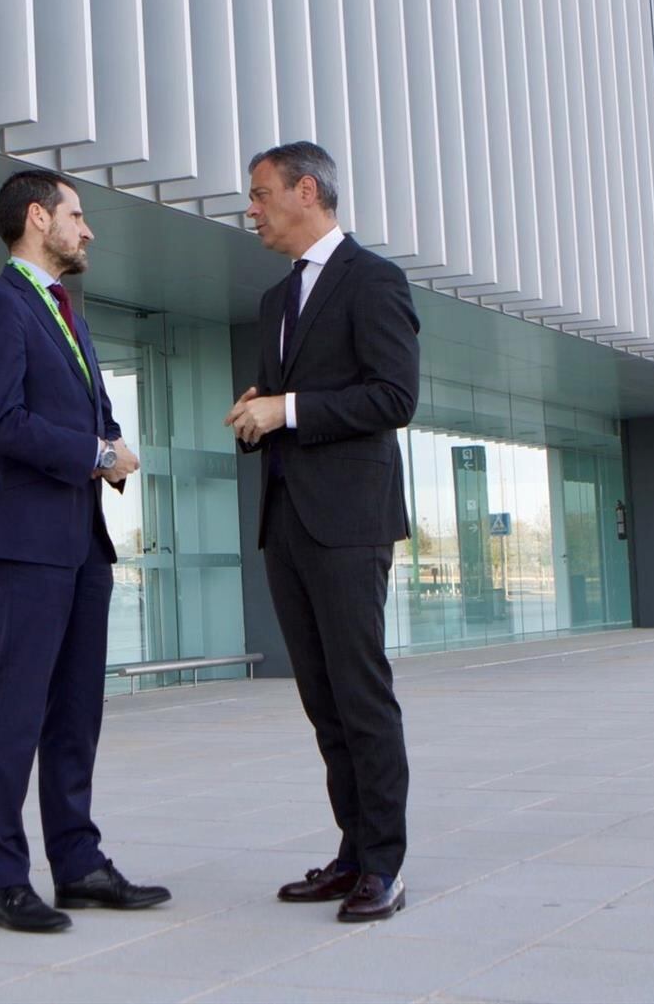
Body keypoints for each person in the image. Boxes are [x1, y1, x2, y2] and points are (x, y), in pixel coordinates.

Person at [0, 168, 171, 933]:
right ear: (38, 217)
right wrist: (94, 452)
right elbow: (5, 424)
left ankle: (77, 862)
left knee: (76, 713)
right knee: (18, 714)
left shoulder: (66, 312)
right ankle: (3, 880)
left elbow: (94, 411)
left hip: (83, 545)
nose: (88, 230)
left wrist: (108, 445)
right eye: (77, 215)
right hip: (29, 546)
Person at [225, 141, 420, 923]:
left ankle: (386, 863)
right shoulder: (275, 299)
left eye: (261, 192)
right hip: (288, 521)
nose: (252, 207)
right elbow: (285, 400)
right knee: (323, 698)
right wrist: (257, 413)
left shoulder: (375, 281)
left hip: (350, 522)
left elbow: (393, 396)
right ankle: (352, 851)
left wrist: (290, 408)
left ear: (308, 191)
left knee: (361, 692)